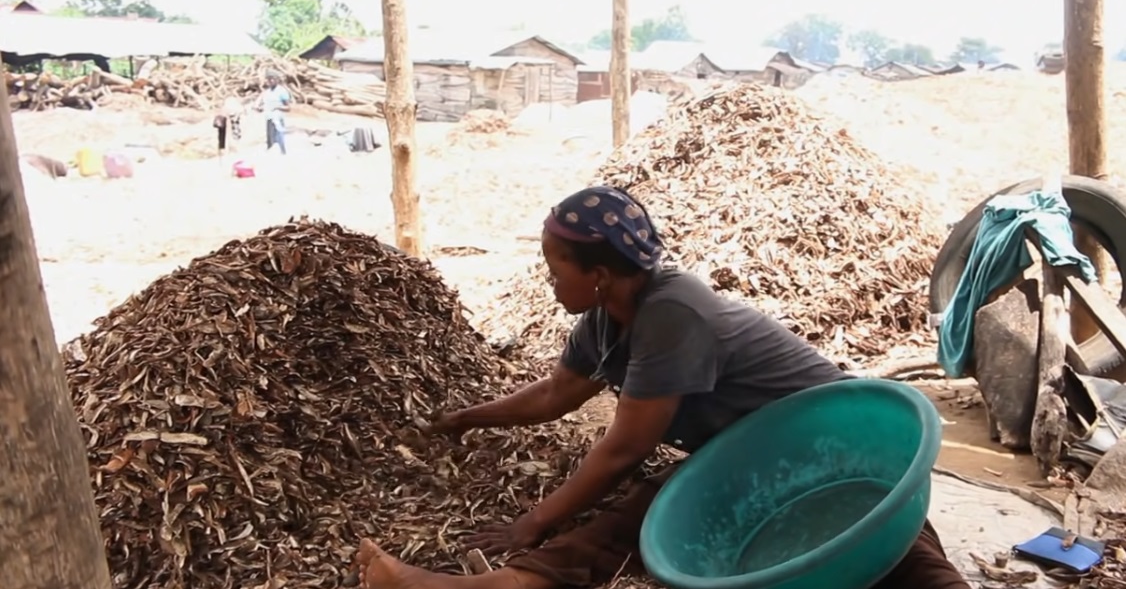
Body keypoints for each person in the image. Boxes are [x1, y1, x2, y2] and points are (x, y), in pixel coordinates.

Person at [354, 186, 971, 589]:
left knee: (899, 557)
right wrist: (467, 418)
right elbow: (554, 396)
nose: (546, 281)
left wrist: (532, 521)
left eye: (553, 267)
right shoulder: (604, 321)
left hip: (832, 453)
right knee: (635, 518)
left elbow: (625, 448)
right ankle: (486, 586)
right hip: (749, 460)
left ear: (599, 274)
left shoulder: (675, 313)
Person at [256, 71, 291, 155]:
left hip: (278, 120)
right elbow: (265, 105)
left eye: (272, 79)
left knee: (279, 142)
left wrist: (277, 107)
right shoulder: (267, 93)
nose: (270, 81)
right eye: (269, 79)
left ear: (277, 80)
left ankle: (283, 157)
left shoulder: (282, 91)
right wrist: (260, 108)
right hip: (269, 119)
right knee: (270, 142)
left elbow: (288, 108)